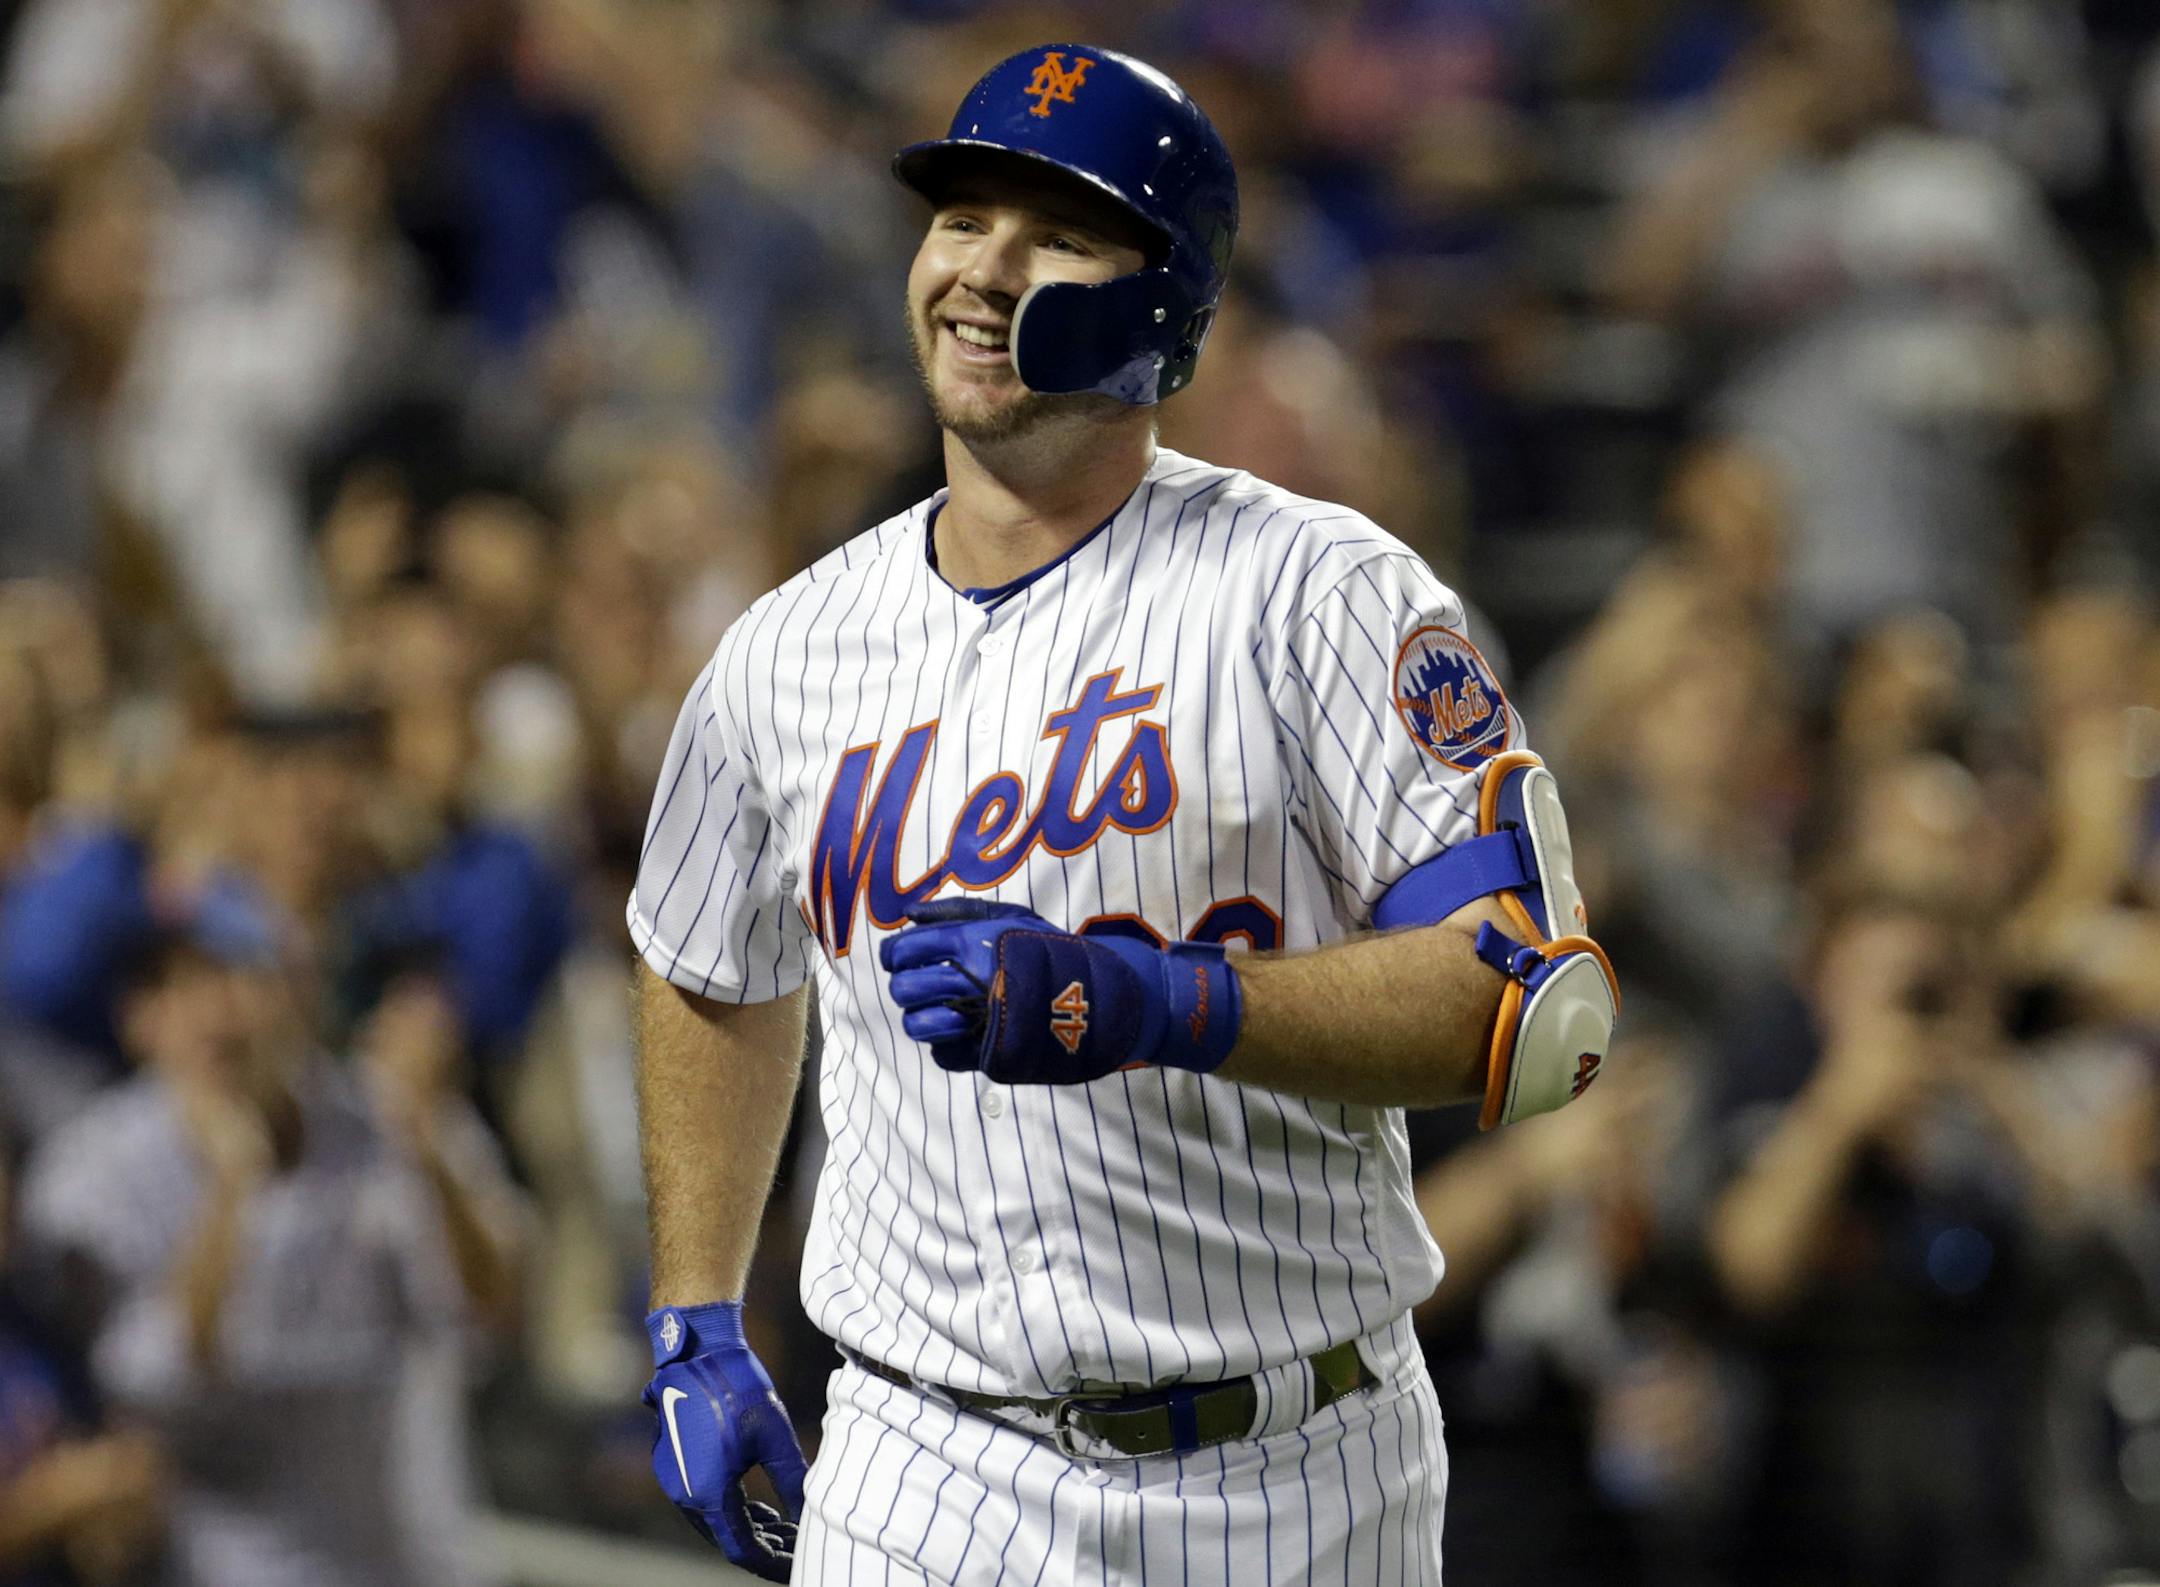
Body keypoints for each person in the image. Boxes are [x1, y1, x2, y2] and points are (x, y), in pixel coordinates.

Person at [626, 43, 1621, 1585]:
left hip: (1291, 1467)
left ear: (1165, 299)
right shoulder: (785, 647)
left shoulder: (1323, 595)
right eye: (961, 218)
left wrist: (1153, 999)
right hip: (920, 1459)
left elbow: (1537, 1007)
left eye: (1055, 234)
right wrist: (696, 1308)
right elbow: (705, 958)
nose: (982, 267)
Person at [14, 882, 522, 1587]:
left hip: (410, 1552)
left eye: (241, 976)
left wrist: (428, 1147)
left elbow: (493, 1317)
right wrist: (231, 1195)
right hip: (226, 1563)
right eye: (181, 985)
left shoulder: (390, 1116)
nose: (217, 1013)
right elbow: (155, 1384)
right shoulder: (89, 1171)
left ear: (300, 994)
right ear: (138, 1017)